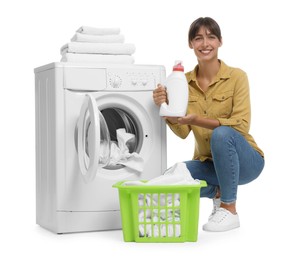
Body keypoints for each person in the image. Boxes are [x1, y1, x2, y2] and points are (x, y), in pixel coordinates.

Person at [153, 17, 264, 232]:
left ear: (220, 41)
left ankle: (229, 208)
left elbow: (241, 126)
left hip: (247, 163)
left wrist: (199, 120)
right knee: (173, 176)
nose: (205, 44)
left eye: (211, 37)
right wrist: (165, 108)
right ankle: (217, 192)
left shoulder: (237, 77)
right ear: (190, 44)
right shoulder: (182, 81)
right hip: (210, 164)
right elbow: (184, 131)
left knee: (221, 134)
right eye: (198, 38)